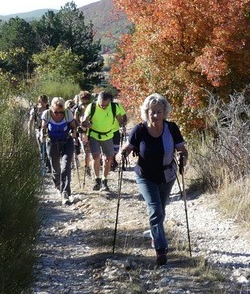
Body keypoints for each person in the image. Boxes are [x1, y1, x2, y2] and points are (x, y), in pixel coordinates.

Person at [117, 93, 188, 267]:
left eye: (159, 111)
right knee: (155, 210)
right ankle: (161, 250)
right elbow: (127, 147)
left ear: (164, 112)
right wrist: (121, 155)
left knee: (160, 211)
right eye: (152, 111)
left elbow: (182, 149)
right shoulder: (140, 129)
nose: (155, 115)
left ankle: (156, 236)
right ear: (146, 112)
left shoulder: (171, 128)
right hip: (145, 175)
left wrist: (183, 158)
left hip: (167, 175)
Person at [80, 90, 127, 192]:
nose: (103, 107)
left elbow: (120, 120)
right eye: (101, 105)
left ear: (109, 101)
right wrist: (88, 125)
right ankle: (97, 180)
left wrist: (122, 126)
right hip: (94, 135)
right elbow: (83, 122)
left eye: (106, 105)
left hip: (108, 135)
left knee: (108, 159)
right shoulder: (92, 107)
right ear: (98, 100)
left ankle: (104, 180)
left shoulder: (114, 107)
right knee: (96, 157)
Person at [42, 96, 77, 204]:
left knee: (65, 167)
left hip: (66, 142)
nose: (58, 114)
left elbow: (73, 127)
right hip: (52, 142)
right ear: (51, 108)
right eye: (56, 112)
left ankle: (65, 192)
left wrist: (74, 132)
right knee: (55, 168)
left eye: (61, 112)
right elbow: (43, 128)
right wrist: (42, 135)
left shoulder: (68, 114)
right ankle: (58, 186)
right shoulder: (46, 114)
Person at [28, 94, 50, 175]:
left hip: (48, 130)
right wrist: (29, 131)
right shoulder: (35, 109)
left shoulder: (49, 109)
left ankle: (48, 165)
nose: (42, 103)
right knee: (41, 147)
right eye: (41, 101)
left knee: (48, 147)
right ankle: (43, 165)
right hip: (38, 129)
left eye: (44, 101)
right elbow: (30, 120)